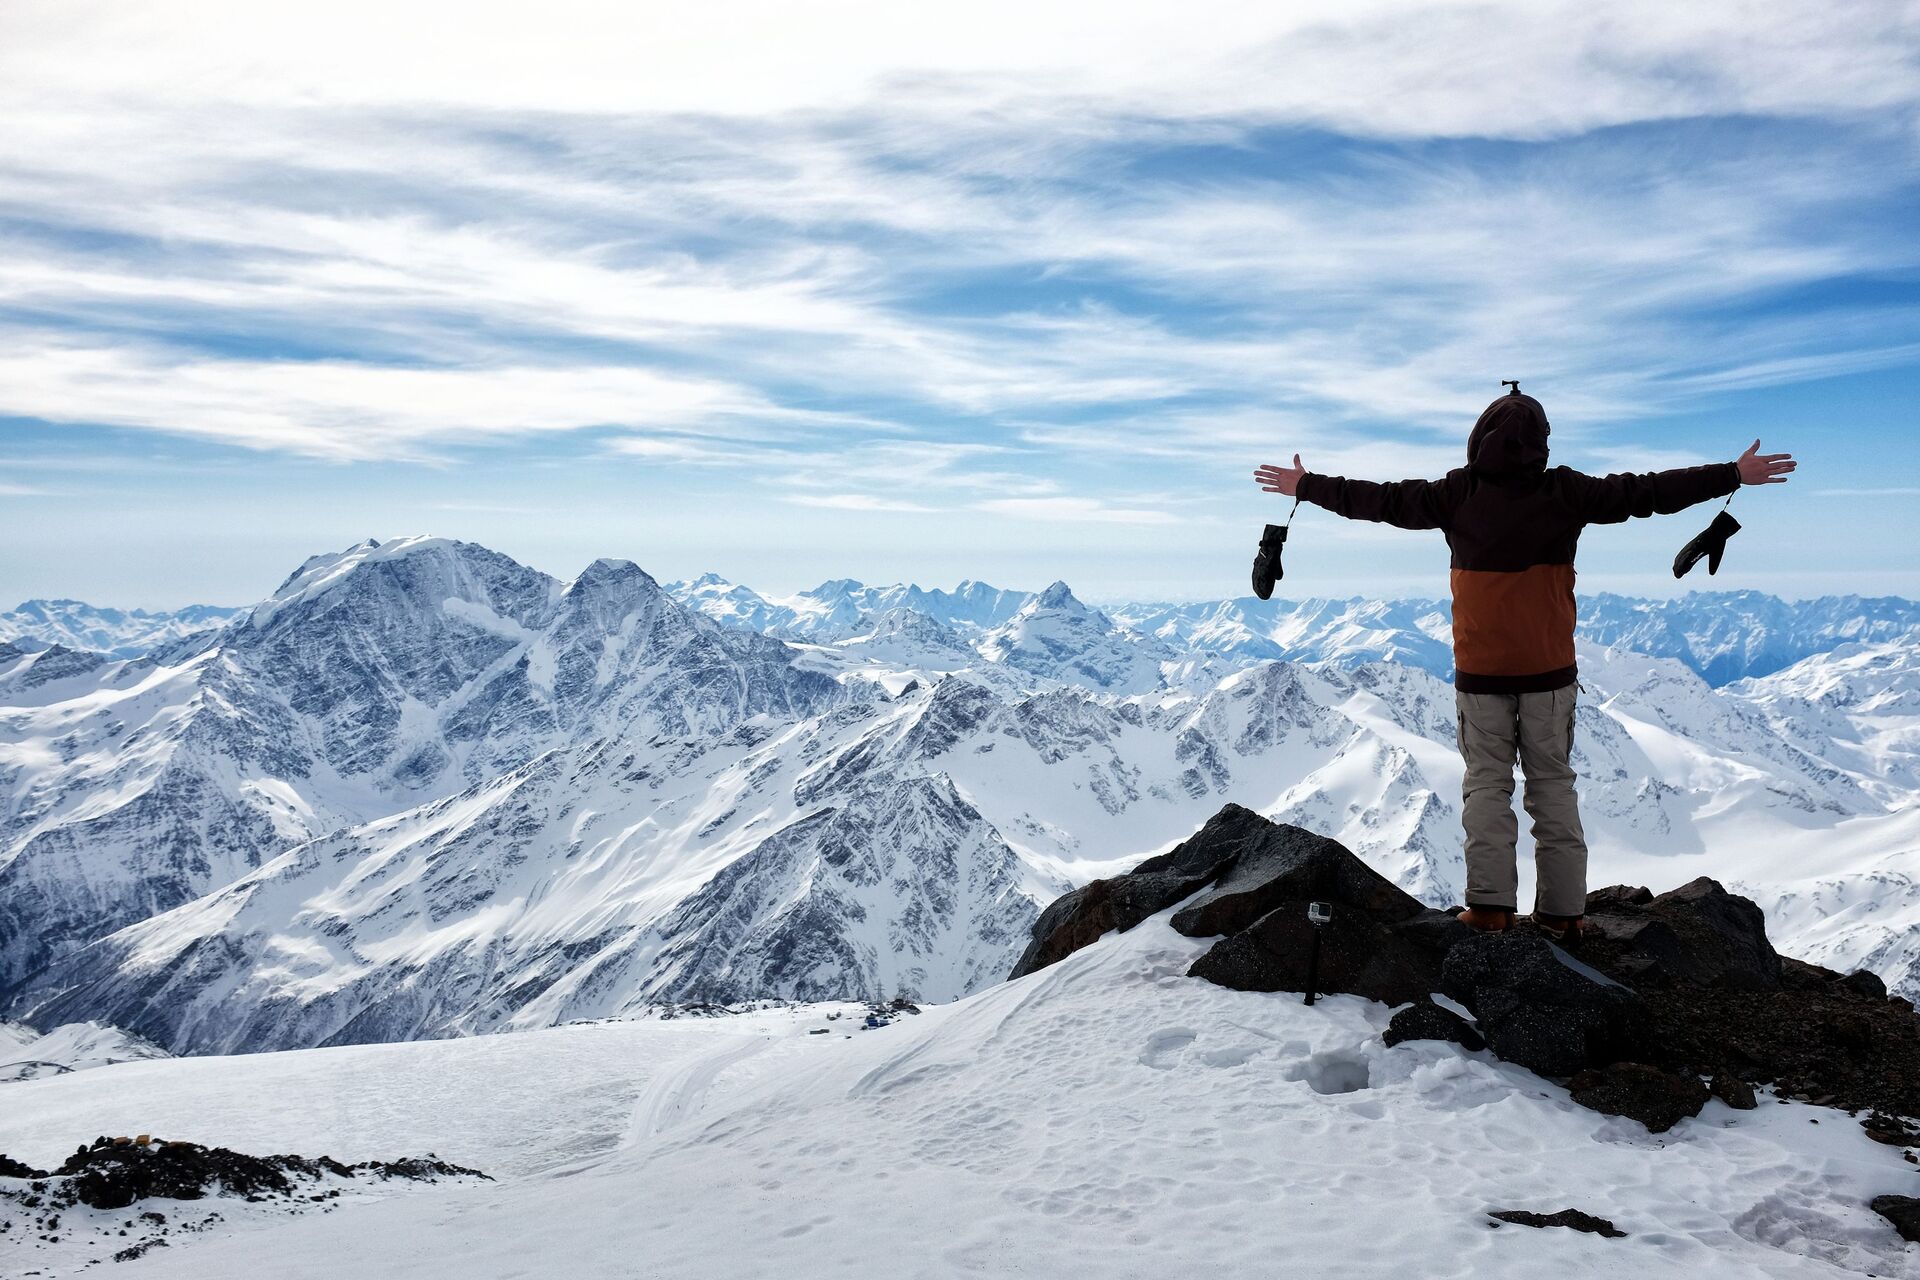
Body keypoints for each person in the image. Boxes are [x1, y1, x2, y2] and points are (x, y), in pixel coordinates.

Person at [1252, 387, 1795, 938]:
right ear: (1541, 441)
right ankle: (1562, 917)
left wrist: (1306, 486)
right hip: (1550, 675)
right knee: (1552, 786)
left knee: (1486, 786)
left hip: (1481, 674)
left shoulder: (1455, 493)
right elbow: (1647, 492)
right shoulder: (1565, 491)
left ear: (1478, 438)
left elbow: (1380, 501)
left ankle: (1489, 909)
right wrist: (1732, 474)